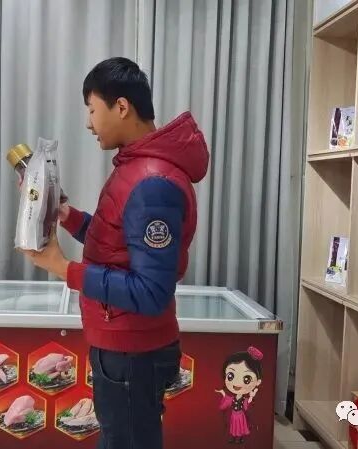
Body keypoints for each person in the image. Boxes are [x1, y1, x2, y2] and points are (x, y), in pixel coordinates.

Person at [22, 57, 209, 449]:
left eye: (92, 110)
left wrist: (65, 268)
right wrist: (67, 215)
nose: (88, 123)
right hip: (126, 346)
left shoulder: (152, 183)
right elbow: (116, 244)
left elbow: (150, 291)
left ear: (121, 107)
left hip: (133, 352)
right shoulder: (136, 168)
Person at [215, 347, 264, 444]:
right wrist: (223, 393)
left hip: (240, 415)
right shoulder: (232, 398)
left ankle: (240, 438)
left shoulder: (244, 399)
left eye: (246, 378)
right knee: (234, 427)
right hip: (234, 415)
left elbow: (247, 404)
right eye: (230, 376)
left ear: (258, 382)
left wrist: (251, 396)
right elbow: (227, 400)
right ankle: (234, 438)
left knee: (241, 427)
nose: (237, 383)